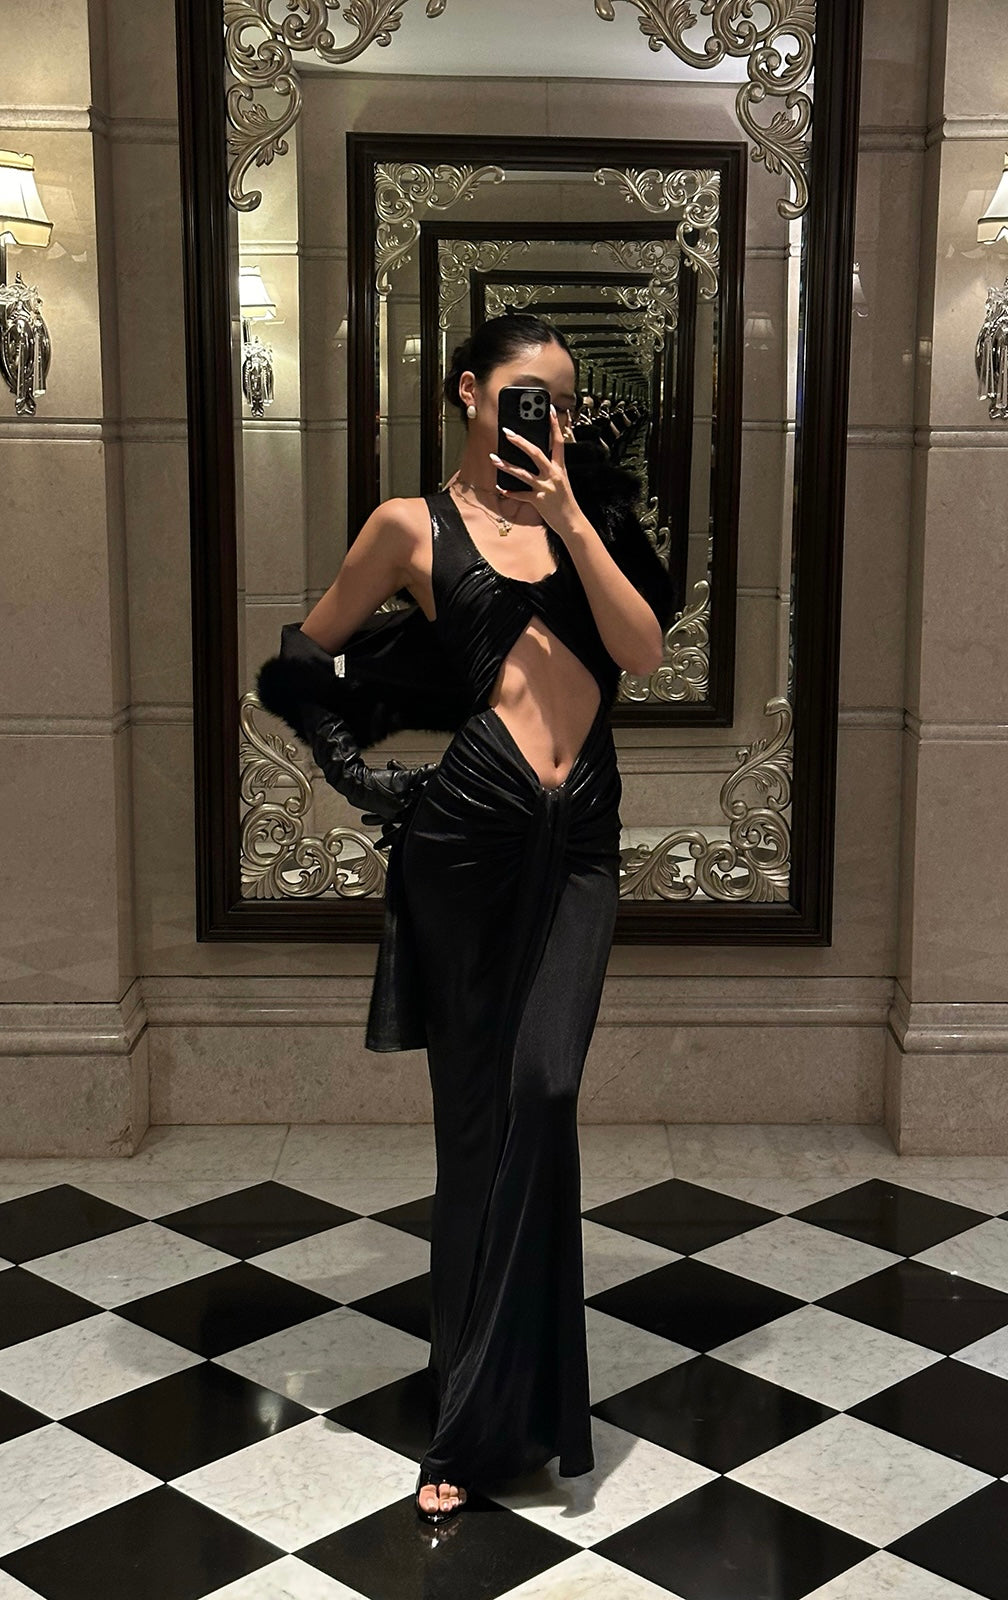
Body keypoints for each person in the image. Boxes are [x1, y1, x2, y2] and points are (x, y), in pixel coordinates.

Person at [255, 314, 675, 1524]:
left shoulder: (592, 516)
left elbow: (643, 653)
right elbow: (302, 661)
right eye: (527, 396)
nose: (549, 418)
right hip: (467, 837)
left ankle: (518, 1396)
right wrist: (359, 777)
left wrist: (574, 518)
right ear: (469, 394)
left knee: (545, 1089)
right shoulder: (409, 526)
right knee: (475, 1129)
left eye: (564, 402)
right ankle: (474, 1418)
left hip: (580, 839)